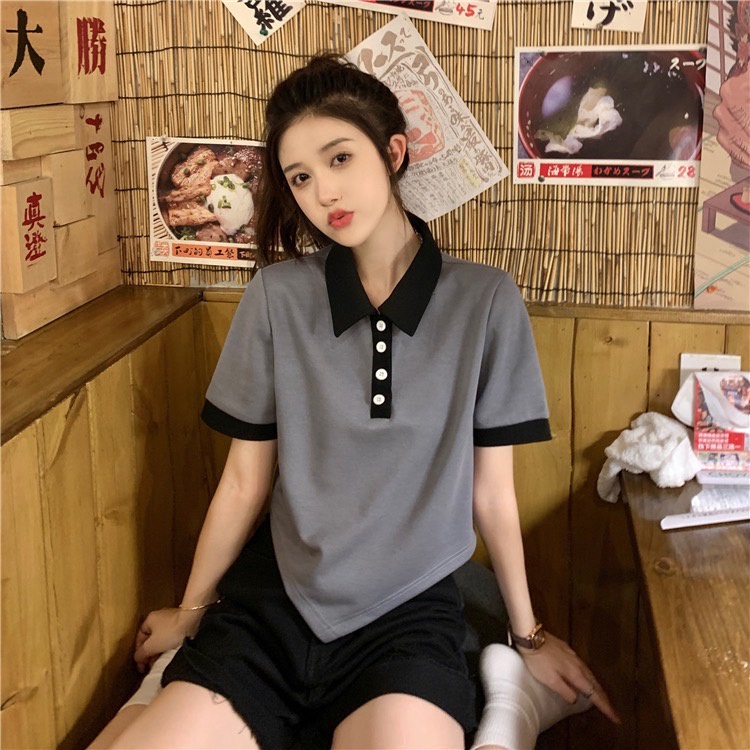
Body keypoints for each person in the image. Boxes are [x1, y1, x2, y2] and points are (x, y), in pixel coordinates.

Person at [92, 54, 618, 750]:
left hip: (407, 618)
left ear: (393, 153)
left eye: (339, 158)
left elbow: (492, 494)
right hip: (273, 608)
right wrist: (192, 610)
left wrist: (530, 635)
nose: (323, 192)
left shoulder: (486, 301)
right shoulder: (277, 296)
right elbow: (245, 481)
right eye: (300, 177)